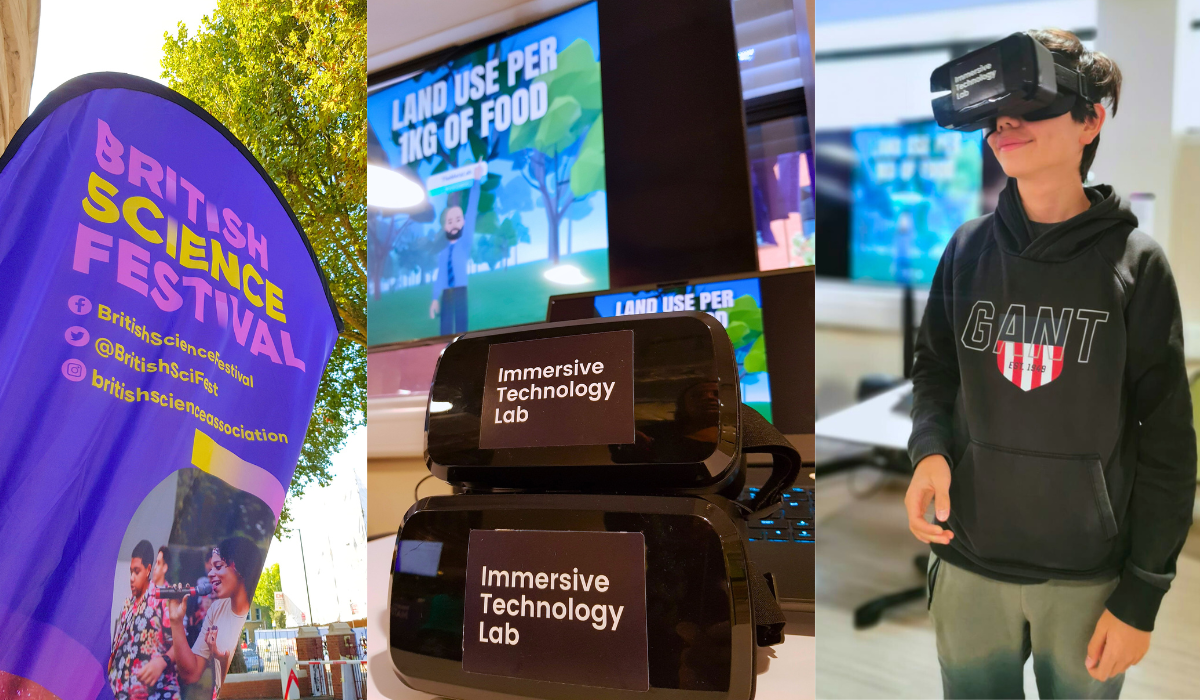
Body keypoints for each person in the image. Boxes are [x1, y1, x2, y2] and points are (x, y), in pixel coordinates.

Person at [905, 29, 1196, 699]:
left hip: (1087, 578)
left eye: (1031, 104)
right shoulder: (967, 250)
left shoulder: (1136, 265)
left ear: (1089, 120)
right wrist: (928, 452)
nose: (1005, 123)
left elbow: (1171, 448)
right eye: (995, 112)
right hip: (969, 561)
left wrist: (1142, 596)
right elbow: (935, 371)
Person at [167, 537, 261, 697]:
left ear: (239, 568)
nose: (210, 574)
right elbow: (191, 674)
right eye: (210, 567)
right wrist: (176, 622)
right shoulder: (216, 610)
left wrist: (223, 662)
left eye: (217, 566)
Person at [109, 540, 180, 700]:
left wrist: (163, 661)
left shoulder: (162, 598)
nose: (132, 578)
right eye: (130, 572)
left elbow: (181, 643)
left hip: (157, 694)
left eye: (137, 571)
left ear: (148, 569)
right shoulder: (128, 603)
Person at [429, 163, 485, 335]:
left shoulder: (465, 242)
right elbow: (440, 277)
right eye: (450, 221)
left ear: (464, 223)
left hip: (461, 291)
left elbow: (472, 209)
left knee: (461, 327)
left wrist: (476, 182)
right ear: (445, 226)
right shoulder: (443, 253)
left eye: (458, 220)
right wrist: (434, 299)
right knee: (445, 329)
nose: (454, 225)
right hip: (446, 293)